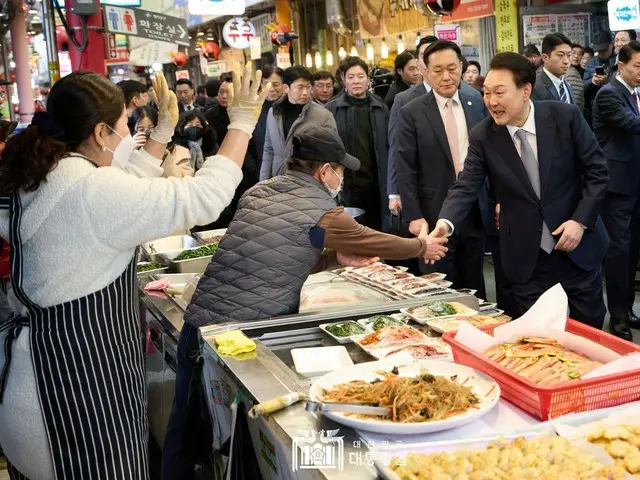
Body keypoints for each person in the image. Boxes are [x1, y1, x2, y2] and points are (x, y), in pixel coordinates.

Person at [0, 67, 268, 479]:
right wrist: (244, 123)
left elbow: (123, 191)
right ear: (103, 133)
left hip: (30, 385)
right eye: (127, 124)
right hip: (74, 399)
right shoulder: (90, 190)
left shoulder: (49, 174)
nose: (130, 133)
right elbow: (203, 197)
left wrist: (163, 131)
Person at [162, 124, 448, 478]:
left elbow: (283, 253)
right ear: (323, 170)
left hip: (202, 322)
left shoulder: (259, 191)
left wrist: (332, 260)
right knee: (206, 433)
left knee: (191, 425)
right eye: (340, 170)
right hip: (237, 333)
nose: (341, 177)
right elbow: (368, 239)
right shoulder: (323, 209)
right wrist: (421, 246)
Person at [431, 52, 609, 328]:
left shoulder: (565, 117)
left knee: (589, 333)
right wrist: (445, 223)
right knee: (536, 340)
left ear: (525, 90)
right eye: (487, 93)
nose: (491, 101)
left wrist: (580, 221)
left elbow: (597, 173)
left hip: (575, 248)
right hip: (527, 257)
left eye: (499, 92)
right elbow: (466, 185)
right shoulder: (483, 135)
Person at [396, 40, 489, 296]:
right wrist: (414, 216)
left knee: (473, 284)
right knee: (437, 285)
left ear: (461, 66)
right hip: (432, 211)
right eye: (438, 70)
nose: (446, 77)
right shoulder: (411, 112)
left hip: (474, 208)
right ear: (425, 71)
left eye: (452, 68)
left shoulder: (477, 103)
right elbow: (405, 166)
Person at [593, 41, 640, 339]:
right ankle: (618, 315)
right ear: (621, 66)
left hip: (636, 184)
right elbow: (631, 123)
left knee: (633, 249)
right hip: (618, 187)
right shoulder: (609, 94)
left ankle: (628, 307)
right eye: (638, 66)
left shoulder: (635, 93)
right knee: (618, 251)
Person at [326, 57, 390, 230]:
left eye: (360, 76)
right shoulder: (331, 109)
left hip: (376, 186)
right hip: (345, 187)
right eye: (351, 77)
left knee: (377, 234)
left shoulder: (380, 108)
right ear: (343, 79)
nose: (356, 81)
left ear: (368, 79)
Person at [387, 35, 439, 215]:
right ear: (418, 62)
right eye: (425, 55)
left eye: (436, 53)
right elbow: (396, 147)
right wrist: (394, 192)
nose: (431, 60)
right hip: (422, 188)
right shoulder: (404, 100)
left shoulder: (468, 97)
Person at [260, 66, 337, 180]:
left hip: (309, 183)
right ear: (286, 88)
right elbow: (269, 150)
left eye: (308, 87)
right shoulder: (274, 113)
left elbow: (332, 155)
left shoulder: (324, 116)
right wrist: (263, 182)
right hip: (278, 181)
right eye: (300, 87)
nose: (305, 92)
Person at [131, 105, 194, 177]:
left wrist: (161, 151)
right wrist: (131, 151)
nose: (146, 133)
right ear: (133, 132)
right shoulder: (129, 150)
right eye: (141, 129)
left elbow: (182, 181)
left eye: (151, 128)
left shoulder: (179, 152)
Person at [252, 65, 284, 170]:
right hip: (260, 170)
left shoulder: (290, 108)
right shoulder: (254, 109)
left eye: (276, 84)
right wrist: (254, 169)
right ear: (261, 85)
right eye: (267, 84)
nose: (271, 89)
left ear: (284, 85)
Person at [532, 33, 575, 104]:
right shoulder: (535, 87)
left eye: (569, 55)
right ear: (545, 58)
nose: (566, 61)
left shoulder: (567, 85)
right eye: (560, 55)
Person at [583, 31, 616, 122]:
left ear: (612, 44)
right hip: (597, 107)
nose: (601, 54)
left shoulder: (618, 60)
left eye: (604, 50)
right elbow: (584, 88)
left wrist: (608, 80)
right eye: (598, 51)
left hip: (617, 104)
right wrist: (592, 81)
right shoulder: (592, 62)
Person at [205, 74, 233, 145]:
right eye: (221, 92)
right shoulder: (209, 115)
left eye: (228, 92)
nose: (224, 96)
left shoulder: (245, 115)